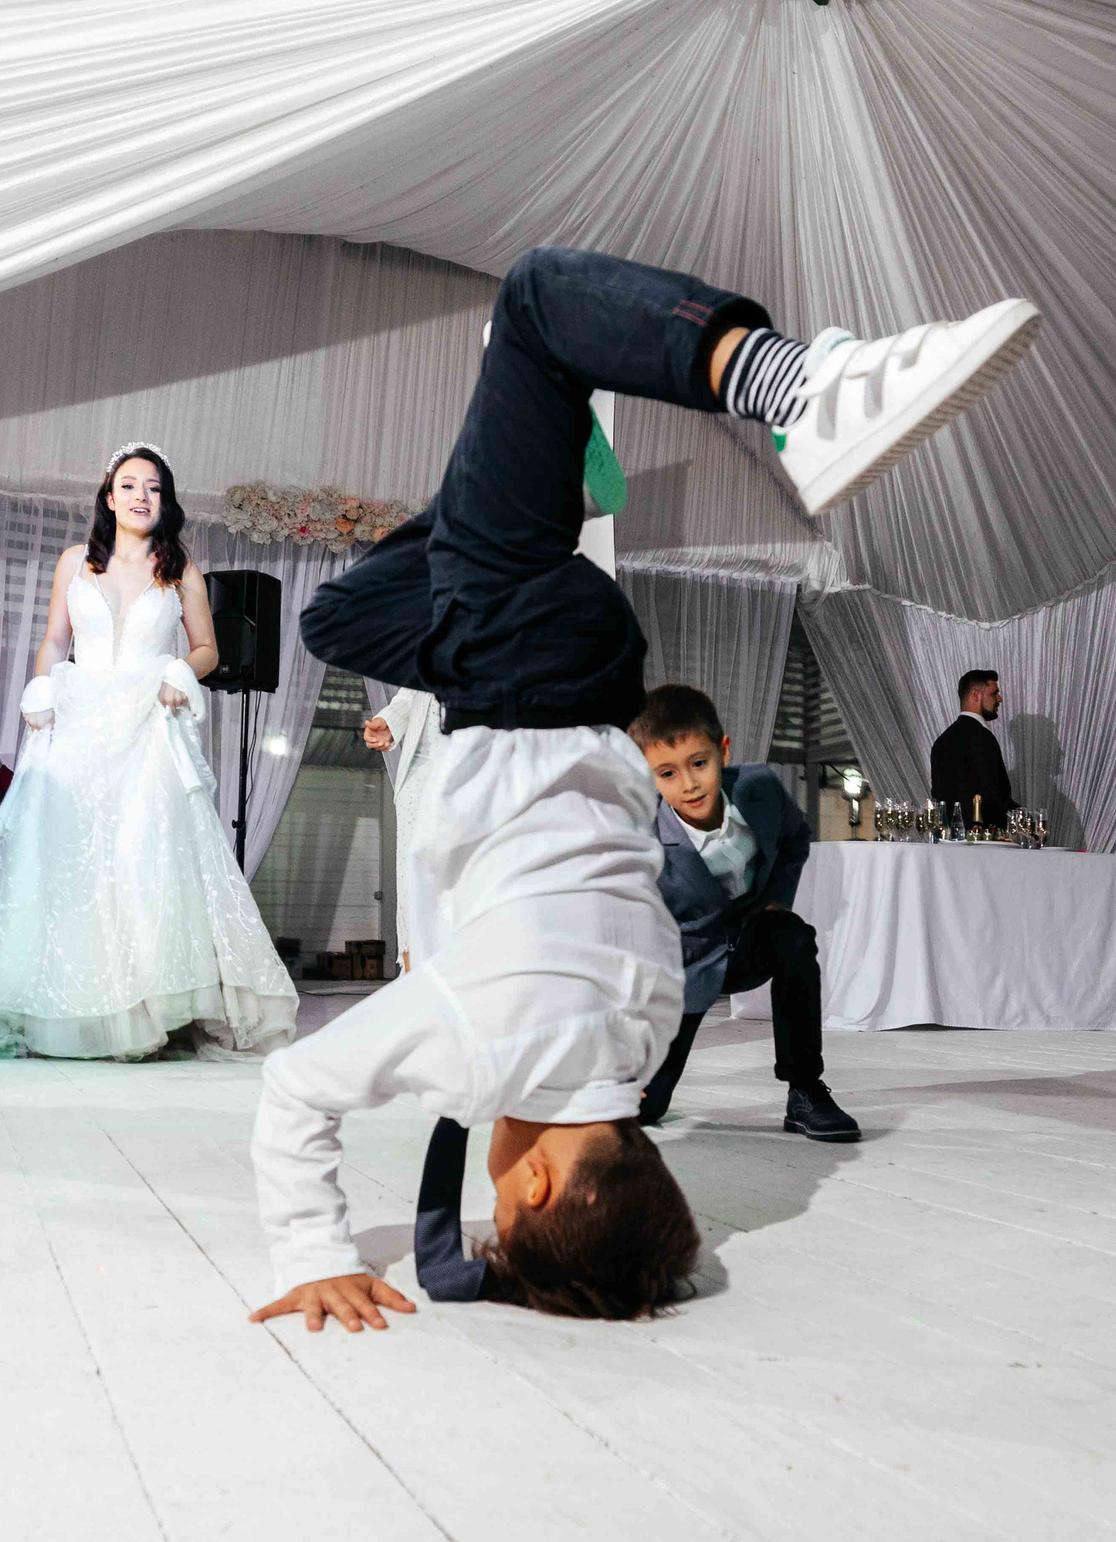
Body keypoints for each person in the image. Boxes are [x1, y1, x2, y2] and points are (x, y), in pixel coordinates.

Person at [247, 245, 1038, 1331]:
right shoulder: (489, 1044)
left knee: (334, 622)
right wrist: (311, 1248)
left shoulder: (645, 1025)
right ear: (526, 1186)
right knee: (532, 308)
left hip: (589, 670)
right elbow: (297, 1092)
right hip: (515, 666)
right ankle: (798, 390)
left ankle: (528, 469)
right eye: (500, 1214)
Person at [0, 442, 299, 1061]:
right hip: (80, 724)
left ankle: (145, 1009)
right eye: (130, 485)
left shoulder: (181, 569)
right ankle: (73, 1009)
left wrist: (180, 670)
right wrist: (41, 687)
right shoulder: (74, 563)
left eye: (153, 488)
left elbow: (208, 649)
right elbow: (54, 640)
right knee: (70, 862)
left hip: (147, 722)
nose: (142, 496)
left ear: (163, 501)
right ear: (109, 497)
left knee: (142, 861)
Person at [630, 683, 857, 1139]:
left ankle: (805, 1090)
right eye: (667, 773)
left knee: (794, 936)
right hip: (685, 968)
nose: (689, 784)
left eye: (699, 763)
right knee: (643, 1110)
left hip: (753, 940)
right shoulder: (641, 839)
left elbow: (796, 836)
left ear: (723, 752)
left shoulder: (760, 788)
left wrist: (775, 899)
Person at [361, 686, 446, 971]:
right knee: (415, 881)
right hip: (421, 772)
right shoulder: (429, 641)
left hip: (477, 766)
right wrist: (389, 723)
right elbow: (411, 693)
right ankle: (415, 980)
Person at [929, 668, 1014, 831]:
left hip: (950, 842)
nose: (999, 699)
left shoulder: (942, 740)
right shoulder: (983, 738)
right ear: (975, 695)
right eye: (994, 693)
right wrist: (1024, 817)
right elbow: (994, 795)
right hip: (984, 841)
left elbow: (940, 797)